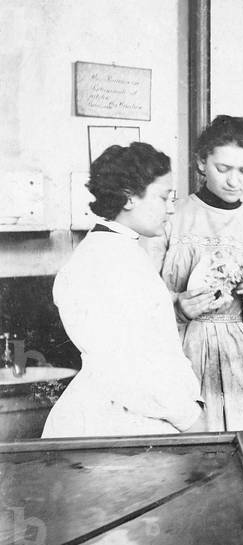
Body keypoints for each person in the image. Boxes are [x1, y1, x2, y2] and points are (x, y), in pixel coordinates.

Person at [148, 115, 243, 482]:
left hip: (239, 358)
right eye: (223, 168)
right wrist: (177, 306)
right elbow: (138, 302)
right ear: (200, 162)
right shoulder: (170, 219)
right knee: (185, 468)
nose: (233, 180)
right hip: (179, 351)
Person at [43, 143, 202, 437]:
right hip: (115, 420)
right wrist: (190, 418)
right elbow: (131, 369)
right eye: (163, 197)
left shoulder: (115, 251)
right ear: (129, 198)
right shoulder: (111, 261)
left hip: (122, 411)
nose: (170, 208)